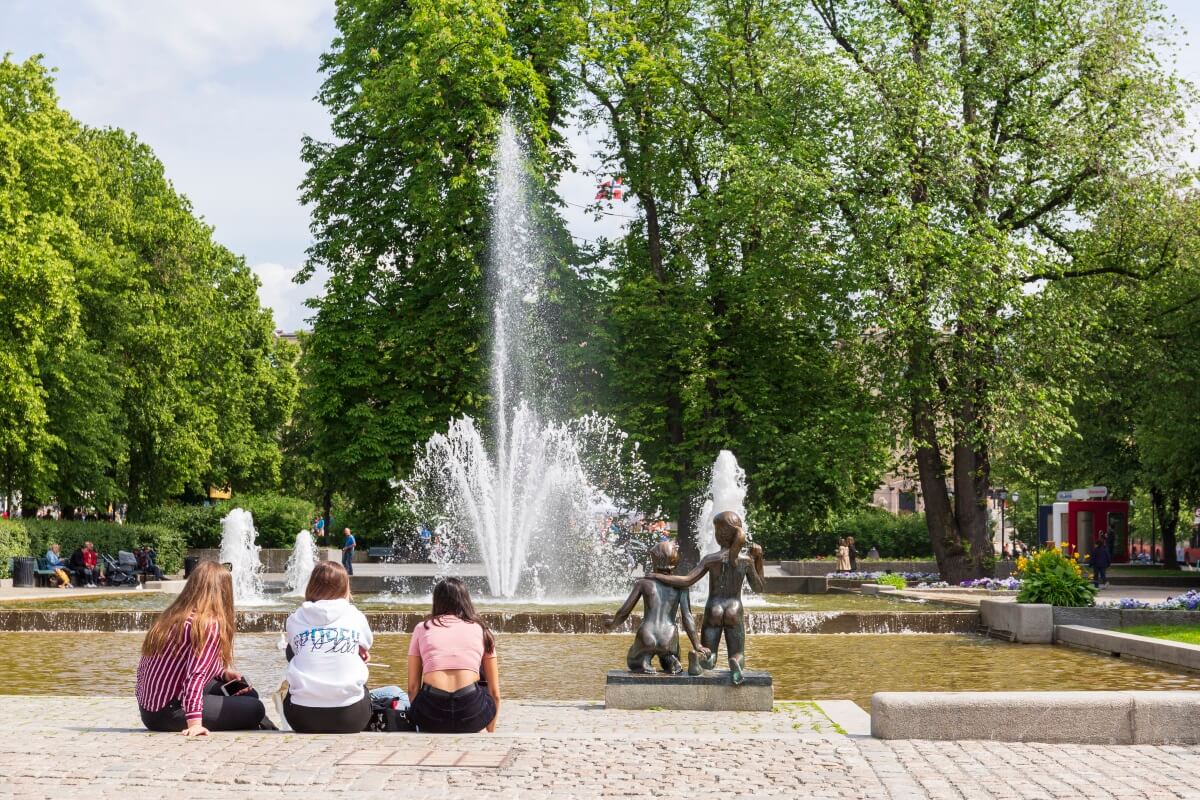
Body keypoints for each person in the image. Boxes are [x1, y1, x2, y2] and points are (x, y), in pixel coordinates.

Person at [136, 561, 273, 735]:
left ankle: (256, 721)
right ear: (224, 591)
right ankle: (259, 722)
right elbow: (195, 675)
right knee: (256, 708)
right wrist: (194, 723)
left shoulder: (172, 615)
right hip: (170, 711)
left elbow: (180, 666)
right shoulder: (206, 624)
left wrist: (223, 674)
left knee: (245, 690)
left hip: (150, 709)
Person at [282, 562, 398, 733]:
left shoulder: (295, 619)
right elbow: (366, 644)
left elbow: (294, 651)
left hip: (302, 718)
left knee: (292, 652)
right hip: (350, 718)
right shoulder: (354, 615)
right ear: (344, 587)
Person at [650, 512, 765, 684]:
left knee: (709, 654)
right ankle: (735, 664)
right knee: (738, 653)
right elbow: (759, 587)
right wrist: (759, 559)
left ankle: (699, 660)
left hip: (714, 609)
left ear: (720, 535)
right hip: (734, 609)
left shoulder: (711, 559)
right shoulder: (746, 560)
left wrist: (656, 576)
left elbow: (687, 580)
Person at [407, 578, 500, 733]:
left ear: (436, 600)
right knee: (482, 681)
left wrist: (420, 719)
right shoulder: (482, 630)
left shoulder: (422, 628)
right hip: (471, 713)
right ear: (465, 600)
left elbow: (412, 688)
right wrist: (490, 730)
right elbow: (495, 693)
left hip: (432, 715)